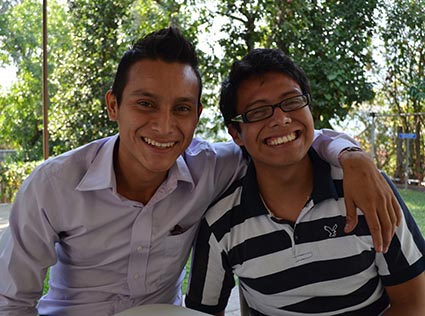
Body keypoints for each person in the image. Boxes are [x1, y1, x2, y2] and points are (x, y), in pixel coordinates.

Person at [0, 27, 399, 316]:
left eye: (181, 108)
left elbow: (284, 136)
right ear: (112, 106)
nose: (164, 126)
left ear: (197, 116)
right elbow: (12, 302)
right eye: (145, 104)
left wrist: (352, 155)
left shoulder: (211, 166)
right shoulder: (54, 186)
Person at [185, 48, 425, 316]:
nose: (281, 119)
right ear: (236, 133)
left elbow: (413, 303)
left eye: (292, 102)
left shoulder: (367, 191)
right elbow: (202, 312)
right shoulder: (221, 224)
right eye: (258, 111)